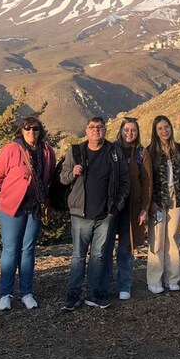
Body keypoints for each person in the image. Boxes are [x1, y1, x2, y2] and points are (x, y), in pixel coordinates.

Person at [60, 117, 130, 310]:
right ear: (86, 130)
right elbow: (63, 178)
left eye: (99, 127)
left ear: (105, 130)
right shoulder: (76, 151)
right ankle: (73, 294)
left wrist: (115, 208)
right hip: (80, 214)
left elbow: (125, 181)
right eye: (92, 127)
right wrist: (72, 173)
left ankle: (92, 294)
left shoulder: (114, 152)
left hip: (105, 215)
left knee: (98, 256)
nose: (96, 130)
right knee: (78, 256)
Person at [0, 116, 56, 311]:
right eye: (27, 128)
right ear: (21, 130)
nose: (31, 132)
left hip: (35, 207)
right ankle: (6, 294)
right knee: (11, 250)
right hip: (12, 207)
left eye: (35, 129)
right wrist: (10, 192)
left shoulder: (47, 151)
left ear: (40, 131)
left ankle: (27, 293)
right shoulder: (11, 149)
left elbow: (50, 176)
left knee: (28, 250)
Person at [143, 115, 180, 294]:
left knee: (172, 238)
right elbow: (147, 180)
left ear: (171, 128)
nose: (164, 131)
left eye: (166, 127)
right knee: (157, 240)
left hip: (177, 198)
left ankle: (172, 278)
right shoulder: (150, 151)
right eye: (160, 128)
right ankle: (154, 279)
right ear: (155, 131)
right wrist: (150, 202)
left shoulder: (179, 149)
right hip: (158, 201)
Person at [100, 118, 151, 301]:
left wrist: (145, 208)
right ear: (120, 130)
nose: (130, 133)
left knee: (126, 248)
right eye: (126, 129)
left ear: (138, 132)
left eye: (133, 130)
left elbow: (147, 183)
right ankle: (104, 285)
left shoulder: (141, 153)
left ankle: (124, 285)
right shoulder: (110, 149)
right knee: (105, 247)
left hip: (131, 208)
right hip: (111, 207)